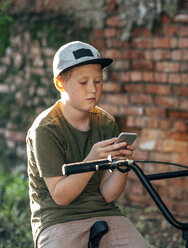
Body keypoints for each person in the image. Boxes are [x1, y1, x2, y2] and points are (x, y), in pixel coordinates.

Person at [26, 41, 149, 248]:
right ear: (60, 83)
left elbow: (108, 194)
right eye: (83, 82)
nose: (92, 89)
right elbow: (61, 197)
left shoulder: (105, 122)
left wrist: (122, 165)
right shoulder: (46, 128)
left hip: (104, 212)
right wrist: (93, 160)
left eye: (98, 81)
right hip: (58, 219)